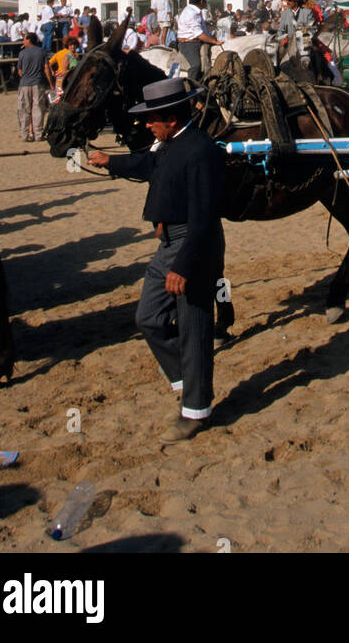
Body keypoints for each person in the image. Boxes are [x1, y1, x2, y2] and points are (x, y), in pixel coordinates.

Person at [87, 78, 227, 443]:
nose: (147, 125)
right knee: (148, 318)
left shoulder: (201, 151)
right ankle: (190, 380)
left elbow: (205, 216)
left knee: (194, 328)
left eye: (153, 119)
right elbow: (148, 166)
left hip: (193, 243)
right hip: (168, 243)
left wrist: (184, 265)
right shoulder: (169, 145)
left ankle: (195, 411)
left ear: (173, 118)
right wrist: (110, 162)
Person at [177, 0, 217, 84]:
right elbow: (199, 34)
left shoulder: (196, 12)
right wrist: (214, 41)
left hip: (197, 41)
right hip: (188, 44)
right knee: (196, 65)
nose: (206, 3)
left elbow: (203, 30)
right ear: (202, 1)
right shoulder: (191, 13)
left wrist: (211, 36)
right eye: (206, 1)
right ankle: (191, 86)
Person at [16, 32, 49, 141]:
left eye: (24, 39)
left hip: (25, 84)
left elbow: (20, 71)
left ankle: (24, 134)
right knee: (38, 109)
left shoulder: (22, 53)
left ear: (29, 40)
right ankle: (38, 134)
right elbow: (46, 68)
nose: (23, 41)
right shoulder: (42, 52)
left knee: (24, 110)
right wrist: (51, 83)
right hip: (38, 83)